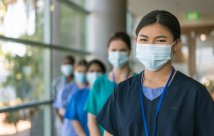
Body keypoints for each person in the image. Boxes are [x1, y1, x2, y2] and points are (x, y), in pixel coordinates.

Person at [97, 10, 214, 136]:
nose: (151, 46)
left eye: (160, 41)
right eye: (144, 39)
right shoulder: (122, 91)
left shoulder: (194, 93)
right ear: (136, 42)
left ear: (176, 45)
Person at [84, 32, 135, 136]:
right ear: (108, 51)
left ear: (129, 51)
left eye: (122, 50)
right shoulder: (99, 83)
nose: (117, 54)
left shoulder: (139, 81)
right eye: (114, 50)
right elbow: (91, 121)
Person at [64, 59, 106, 136]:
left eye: (98, 71)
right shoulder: (78, 95)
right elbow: (75, 120)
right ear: (86, 74)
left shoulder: (109, 93)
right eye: (91, 71)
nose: (95, 74)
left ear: (104, 74)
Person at [58, 59, 88, 136]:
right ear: (74, 72)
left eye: (85, 72)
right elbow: (61, 110)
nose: (82, 74)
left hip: (87, 128)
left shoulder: (91, 90)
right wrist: (74, 114)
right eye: (79, 71)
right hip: (70, 130)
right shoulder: (67, 89)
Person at [52, 55, 75, 136]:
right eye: (65, 64)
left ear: (73, 66)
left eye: (69, 64)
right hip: (61, 120)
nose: (67, 66)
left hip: (75, 118)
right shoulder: (57, 82)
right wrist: (60, 117)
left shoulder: (78, 81)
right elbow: (55, 101)